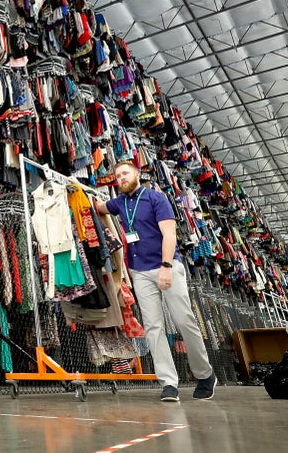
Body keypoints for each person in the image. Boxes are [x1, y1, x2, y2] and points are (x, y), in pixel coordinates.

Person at [94, 160, 216, 402]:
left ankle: (205, 374)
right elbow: (99, 207)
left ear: (137, 174)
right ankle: (168, 382)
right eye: (118, 176)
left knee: (184, 320)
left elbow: (170, 234)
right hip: (139, 272)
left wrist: (166, 266)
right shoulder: (119, 202)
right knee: (153, 327)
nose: (121, 178)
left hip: (166, 266)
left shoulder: (156, 198)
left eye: (125, 173)